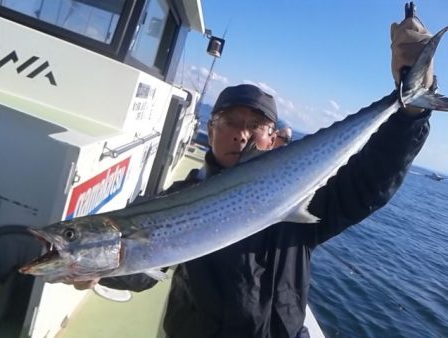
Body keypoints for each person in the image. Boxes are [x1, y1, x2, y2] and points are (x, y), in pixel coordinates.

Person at [74, 16, 434, 338]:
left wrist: (410, 112)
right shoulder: (177, 197)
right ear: (210, 129)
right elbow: (146, 263)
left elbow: (371, 181)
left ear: (274, 137)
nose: (241, 135)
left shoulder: (302, 196)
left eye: (256, 125)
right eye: (230, 122)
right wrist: (99, 271)